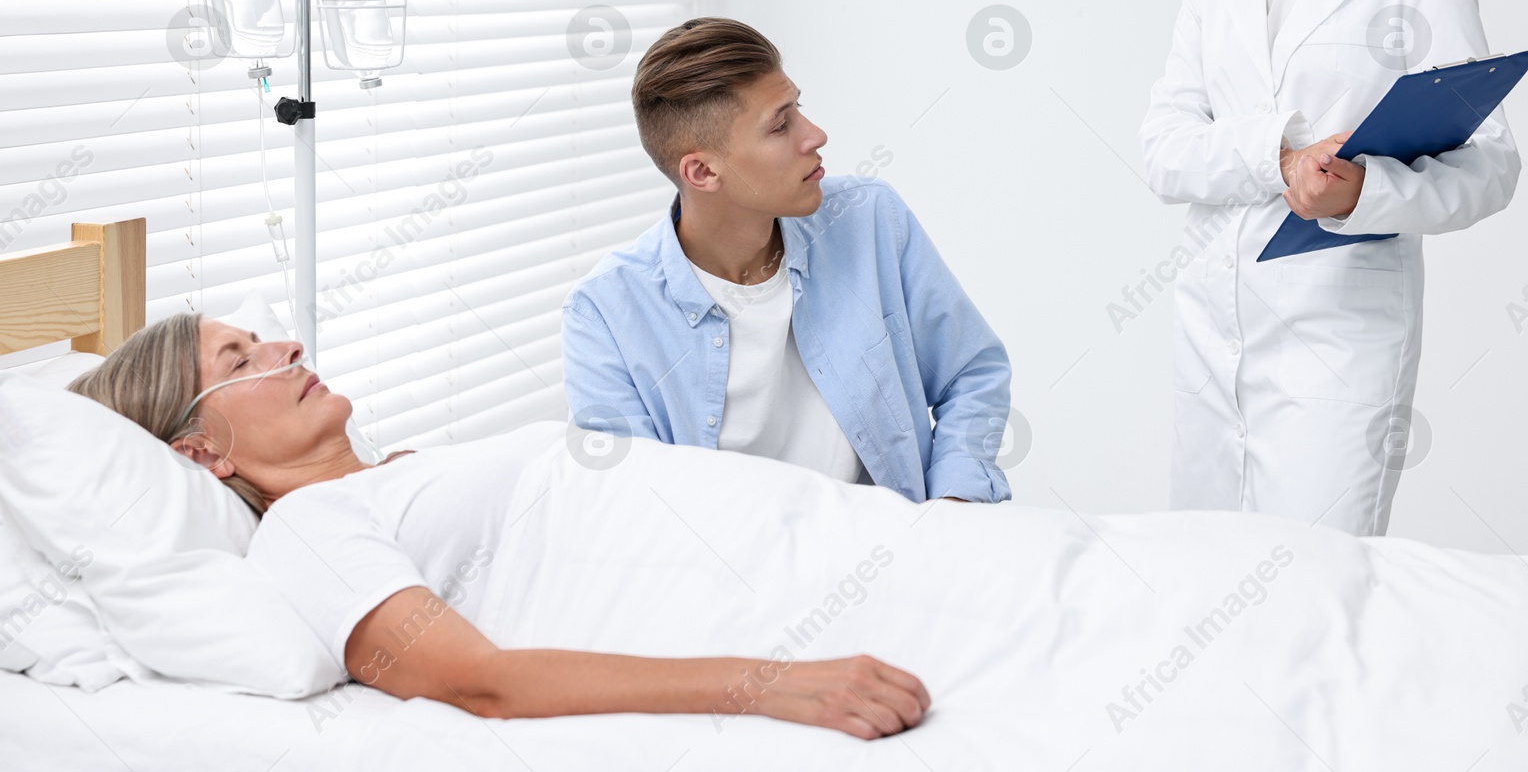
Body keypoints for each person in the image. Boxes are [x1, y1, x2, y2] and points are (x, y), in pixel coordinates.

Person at [65, 315, 932, 740]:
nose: (284, 348)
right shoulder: (308, 533)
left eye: (263, 339)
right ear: (202, 450)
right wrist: (778, 683)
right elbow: (483, 683)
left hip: (829, 535)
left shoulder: (388, 476)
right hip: (797, 600)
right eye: (239, 360)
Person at [1139, 0, 1519, 536]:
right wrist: (1276, 158)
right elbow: (1163, 149)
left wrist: (1363, 193)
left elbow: (1491, 167)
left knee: (1316, 592)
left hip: (1339, 344)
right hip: (1213, 338)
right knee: (1205, 579)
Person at [561, 17, 1012, 504]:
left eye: (798, 108)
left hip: (892, 554)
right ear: (703, 171)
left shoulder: (870, 221)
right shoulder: (605, 312)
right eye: (780, 125)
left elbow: (971, 374)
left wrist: (952, 508)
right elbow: (630, 503)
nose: (815, 135)